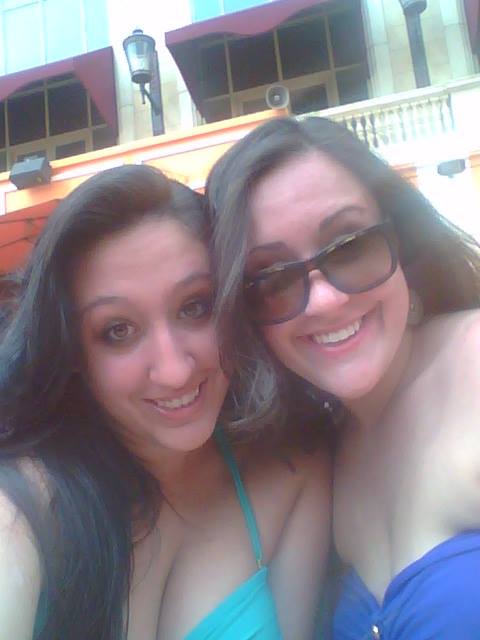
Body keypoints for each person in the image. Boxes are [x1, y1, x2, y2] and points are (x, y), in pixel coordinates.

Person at [0, 164, 331, 640]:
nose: (175, 370)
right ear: (72, 351)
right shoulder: (24, 510)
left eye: (194, 307)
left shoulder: (292, 472)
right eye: (118, 330)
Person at [206, 116, 480, 639]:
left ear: (400, 240)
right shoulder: (322, 454)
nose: (326, 299)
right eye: (272, 279)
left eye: (350, 245)